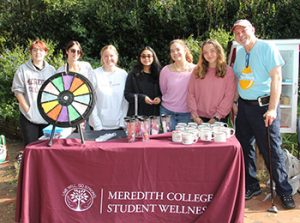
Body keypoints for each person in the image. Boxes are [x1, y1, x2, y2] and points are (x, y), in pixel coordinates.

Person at [232, 19, 295, 209]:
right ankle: (252, 185)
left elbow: (277, 77)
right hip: (244, 108)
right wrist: (235, 102)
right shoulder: (240, 52)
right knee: (245, 148)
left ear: (253, 29)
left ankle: (284, 190)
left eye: (243, 30)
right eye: (236, 32)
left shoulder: (268, 47)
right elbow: (239, 78)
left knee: (271, 151)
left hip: (263, 108)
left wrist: (273, 108)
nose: (240, 34)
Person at [11, 39, 56, 146]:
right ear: (31, 52)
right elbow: (18, 91)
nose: (38, 53)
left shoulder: (51, 70)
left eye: (41, 50)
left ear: (45, 52)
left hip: (46, 116)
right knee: (31, 148)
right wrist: (28, 109)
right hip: (28, 117)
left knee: (46, 149)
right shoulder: (22, 70)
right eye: (35, 50)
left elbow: (55, 93)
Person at [187, 39, 236, 124]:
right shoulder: (197, 71)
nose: (209, 55)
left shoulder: (228, 71)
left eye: (212, 51)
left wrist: (217, 117)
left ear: (218, 51)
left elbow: (229, 96)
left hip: (218, 118)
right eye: (205, 52)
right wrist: (195, 116)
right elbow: (190, 94)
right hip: (198, 119)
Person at [89, 45, 128, 130]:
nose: (109, 58)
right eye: (105, 56)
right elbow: (91, 100)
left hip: (119, 126)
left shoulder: (123, 74)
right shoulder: (95, 74)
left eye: (111, 56)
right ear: (102, 58)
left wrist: (122, 122)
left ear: (116, 57)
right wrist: (97, 125)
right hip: (98, 127)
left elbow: (125, 100)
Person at [159, 39, 195, 130]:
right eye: (172, 51)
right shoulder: (165, 71)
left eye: (178, 49)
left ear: (185, 50)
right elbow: (163, 90)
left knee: (183, 142)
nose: (175, 53)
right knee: (167, 141)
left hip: (186, 113)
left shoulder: (195, 70)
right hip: (167, 112)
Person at [124, 46, 161, 116]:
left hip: (155, 114)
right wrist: (142, 98)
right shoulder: (133, 74)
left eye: (149, 56)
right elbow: (127, 95)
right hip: (137, 114)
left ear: (153, 57)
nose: (146, 58)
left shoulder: (159, 74)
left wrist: (159, 98)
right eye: (143, 56)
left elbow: (164, 93)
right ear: (139, 58)